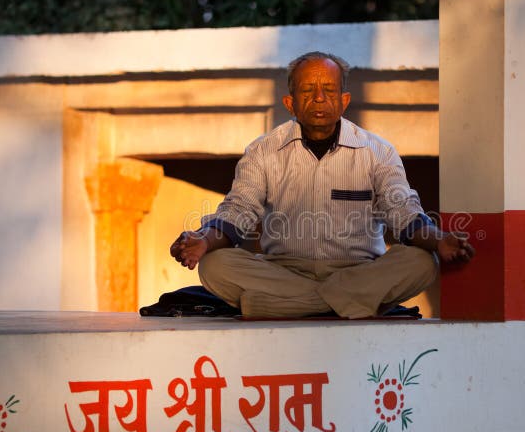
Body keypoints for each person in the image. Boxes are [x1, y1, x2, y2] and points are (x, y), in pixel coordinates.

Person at [170, 51, 474, 318]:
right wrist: (204, 240)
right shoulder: (263, 151)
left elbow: (403, 211)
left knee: (422, 261)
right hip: (284, 272)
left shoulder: (378, 152)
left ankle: (284, 306)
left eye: (328, 90)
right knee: (214, 265)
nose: (318, 98)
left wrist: (438, 240)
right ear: (290, 103)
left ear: (344, 101)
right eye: (308, 90)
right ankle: (345, 304)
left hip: (359, 272)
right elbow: (238, 211)